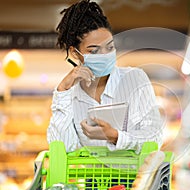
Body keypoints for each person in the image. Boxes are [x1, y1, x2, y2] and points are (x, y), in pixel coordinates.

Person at [47, 0, 163, 153]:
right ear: (75, 53)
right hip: (91, 176)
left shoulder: (135, 79)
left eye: (109, 47)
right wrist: (62, 91)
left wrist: (115, 136)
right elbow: (62, 148)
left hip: (136, 176)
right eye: (94, 51)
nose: (104, 55)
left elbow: (154, 138)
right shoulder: (71, 95)